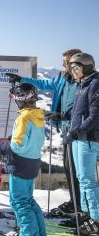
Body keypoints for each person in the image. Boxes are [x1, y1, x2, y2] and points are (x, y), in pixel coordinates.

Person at [6, 48, 82, 217]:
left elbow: (83, 107)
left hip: (76, 130)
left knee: (77, 170)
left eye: (65, 62)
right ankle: (74, 201)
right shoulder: (63, 78)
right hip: (65, 128)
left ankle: (79, 206)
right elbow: (46, 84)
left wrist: (63, 115)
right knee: (69, 168)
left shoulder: (81, 82)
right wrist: (22, 79)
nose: (63, 65)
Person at [0, 83, 46, 236]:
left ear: (21, 99)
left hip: (20, 165)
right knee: (28, 200)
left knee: (19, 202)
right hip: (33, 162)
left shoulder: (24, 117)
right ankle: (39, 232)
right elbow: (30, 140)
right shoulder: (38, 114)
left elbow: (17, 146)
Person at [63, 53, 99, 235]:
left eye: (76, 67)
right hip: (78, 137)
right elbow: (80, 111)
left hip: (88, 138)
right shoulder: (82, 84)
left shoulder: (95, 84)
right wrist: (64, 116)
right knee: (80, 177)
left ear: (86, 66)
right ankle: (86, 213)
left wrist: (77, 131)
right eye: (71, 68)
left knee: (87, 180)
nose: (73, 71)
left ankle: (96, 219)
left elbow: (94, 115)